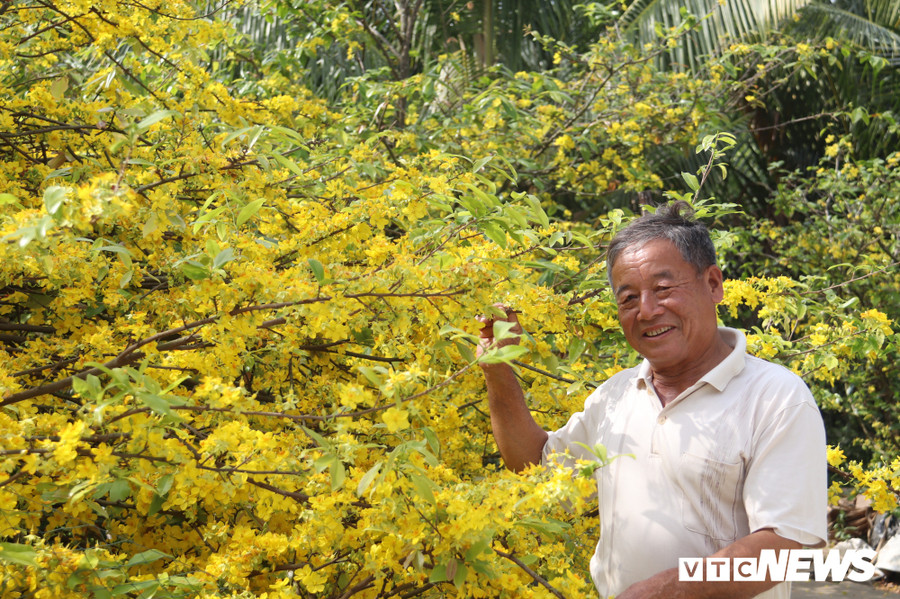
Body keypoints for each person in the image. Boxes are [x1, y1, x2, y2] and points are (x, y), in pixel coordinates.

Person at [477, 201, 827, 599]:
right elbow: (534, 463)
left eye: (663, 289)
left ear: (713, 284)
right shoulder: (615, 396)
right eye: (628, 298)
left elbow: (781, 548)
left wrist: (667, 590)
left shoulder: (775, 397)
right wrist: (498, 367)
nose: (646, 311)